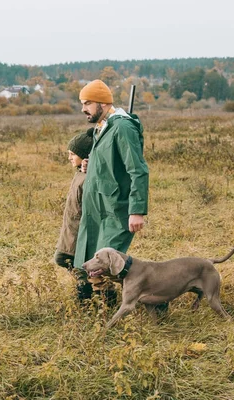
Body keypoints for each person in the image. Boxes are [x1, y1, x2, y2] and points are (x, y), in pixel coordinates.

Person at [73, 79, 150, 305]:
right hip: (97, 208)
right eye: (82, 103)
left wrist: (136, 211)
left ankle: (154, 297)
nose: (83, 108)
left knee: (108, 263)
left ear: (103, 103)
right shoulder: (103, 126)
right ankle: (91, 308)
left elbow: (138, 171)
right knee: (91, 262)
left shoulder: (123, 128)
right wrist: (89, 164)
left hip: (116, 210)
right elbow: (109, 162)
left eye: (87, 103)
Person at [54, 128, 96, 301]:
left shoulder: (89, 177)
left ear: (85, 156)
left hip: (80, 230)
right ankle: (89, 288)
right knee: (64, 258)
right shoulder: (80, 172)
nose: (69, 157)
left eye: (73, 154)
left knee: (67, 260)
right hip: (70, 228)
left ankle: (87, 294)